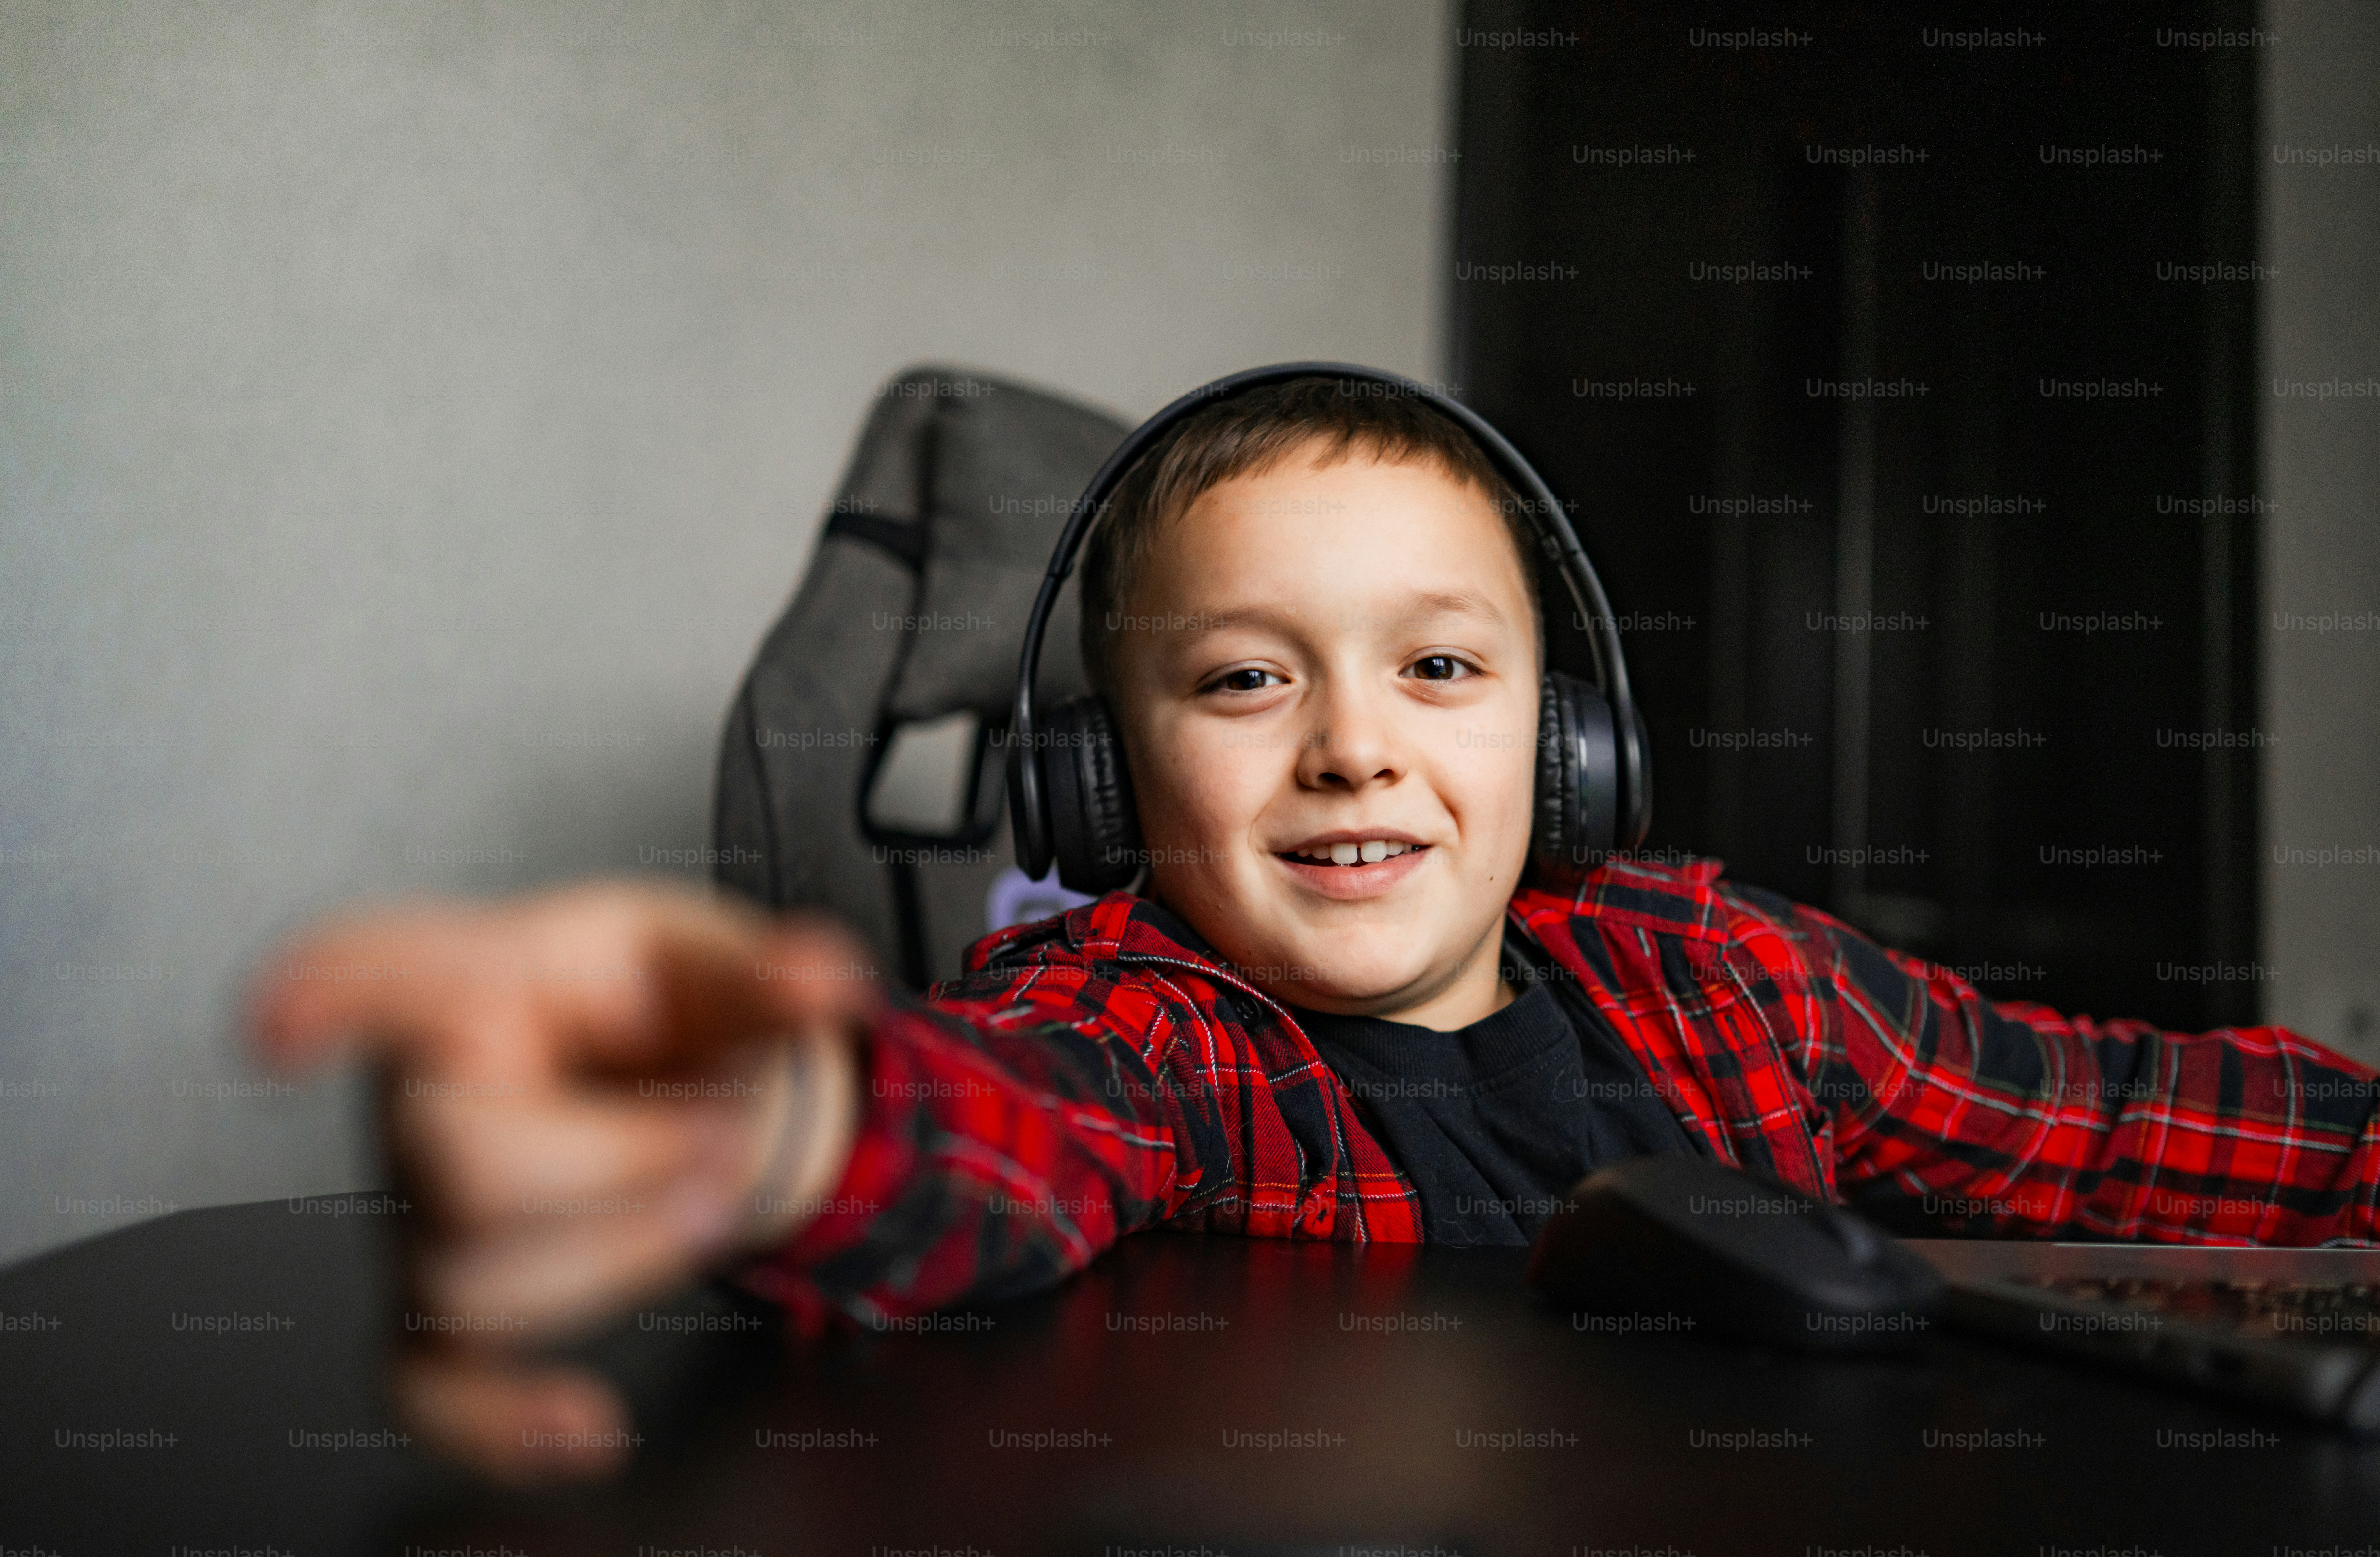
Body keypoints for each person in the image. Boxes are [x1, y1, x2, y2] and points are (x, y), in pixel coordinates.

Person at [251, 376, 2380, 1484]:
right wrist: (759, 1116)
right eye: (1248, 680)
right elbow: (994, 1125)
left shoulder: (1735, 984)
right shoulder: (1149, 1022)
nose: (1355, 750)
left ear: (1575, 757)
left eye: (1441, 673)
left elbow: (2128, 1122)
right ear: (1101, 784)